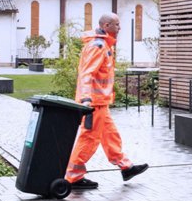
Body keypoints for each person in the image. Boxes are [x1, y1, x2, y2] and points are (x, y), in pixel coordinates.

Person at [61, 12, 148, 190]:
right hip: (93, 103)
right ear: (107, 26)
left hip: (100, 102)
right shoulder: (98, 46)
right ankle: (73, 176)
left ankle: (126, 167)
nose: (120, 28)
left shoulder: (104, 44)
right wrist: (86, 99)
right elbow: (87, 73)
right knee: (89, 138)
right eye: (116, 24)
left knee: (110, 135)